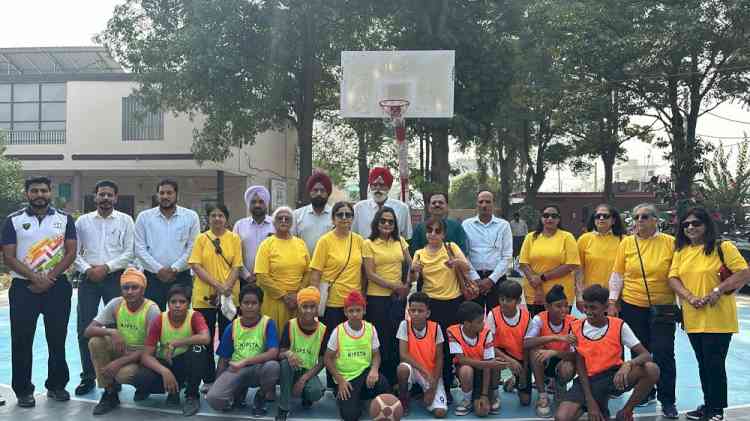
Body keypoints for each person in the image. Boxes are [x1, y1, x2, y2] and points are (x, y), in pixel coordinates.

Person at [1, 176, 77, 407]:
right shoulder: (13, 220)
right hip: (23, 287)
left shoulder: (65, 219)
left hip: (57, 286)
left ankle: (56, 386)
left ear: (50, 192)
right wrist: (34, 277)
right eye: (34, 191)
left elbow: (71, 252)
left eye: (43, 190)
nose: (39, 195)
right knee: (22, 340)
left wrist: (49, 278)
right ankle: (24, 391)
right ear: (27, 194)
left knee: (57, 339)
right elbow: (8, 256)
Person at [668, 207, 750, 421]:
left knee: (714, 364)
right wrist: (689, 297)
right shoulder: (681, 251)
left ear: (706, 225)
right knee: (703, 363)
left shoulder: (723, 247)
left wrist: (718, 290)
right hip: (693, 317)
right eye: (686, 224)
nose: (691, 227)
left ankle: (716, 410)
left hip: (719, 318)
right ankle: (708, 405)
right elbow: (673, 278)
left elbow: (744, 272)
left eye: (696, 223)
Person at [608, 203, 677, 418]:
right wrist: (612, 301)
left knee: (664, 352)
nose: (639, 221)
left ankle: (668, 400)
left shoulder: (670, 243)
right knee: (640, 352)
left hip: (663, 307)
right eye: (636, 217)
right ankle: (646, 392)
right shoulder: (627, 243)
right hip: (632, 304)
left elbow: (679, 273)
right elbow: (617, 274)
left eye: (645, 217)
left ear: (656, 220)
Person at [555, 285, 660, 421]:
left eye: (593, 307)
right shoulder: (575, 328)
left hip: (614, 376)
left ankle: (626, 412)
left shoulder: (619, 325)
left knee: (652, 369)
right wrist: (590, 401)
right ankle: (597, 403)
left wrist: (628, 364)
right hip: (588, 380)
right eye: (586, 307)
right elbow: (580, 365)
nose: (588, 312)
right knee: (561, 418)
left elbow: (646, 355)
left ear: (606, 307)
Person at [74, 179, 136, 396]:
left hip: (115, 277)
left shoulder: (126, 221)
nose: (106, 198)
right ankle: (88, 376)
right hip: (89, 278)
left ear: (116, 198)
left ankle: (114, 376)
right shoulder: (82, 222)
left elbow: (130, 252)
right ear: (95, 197)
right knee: (85, 326)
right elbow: (74, 252)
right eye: (102, 194)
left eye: (110, 195)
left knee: (115, 327)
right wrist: (88, 269)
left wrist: (107, 267)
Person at [411, 216, 472, 405]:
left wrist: (456, 263)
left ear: (443, 234)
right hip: (431, 307)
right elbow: (412, 279)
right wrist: (413, 269)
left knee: (449, 349)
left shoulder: (451, 247)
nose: (433, 234)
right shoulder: (419, 253)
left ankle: (447, 385)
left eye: (438, 231)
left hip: (453, 304)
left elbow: (467, 267)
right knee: (431, 350)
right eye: (430, 230)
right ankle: (425, 386)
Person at [83, 268, 160, 415]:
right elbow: (88, 331)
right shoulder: (116, 303)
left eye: (134, 287)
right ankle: (109, 393)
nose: (130, 291)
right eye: (126, 287)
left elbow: (151, 350)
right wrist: (112, 331)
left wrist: (118, 362)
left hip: (143, 357)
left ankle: (144, 387)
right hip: (123, 350)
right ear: (121, 290)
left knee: (122, 375)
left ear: (143, 290)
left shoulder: (152, 310)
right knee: (95, 342)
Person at [188, 204, 243, 389]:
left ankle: (225, 376)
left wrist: (226, 287)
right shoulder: (201, 239)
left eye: (221, 215)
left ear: (226, 218)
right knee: (206, 338)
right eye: (213, 215)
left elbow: (237, 266)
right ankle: (209, 378)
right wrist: (218, 285)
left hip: (229, 297)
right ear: (208, 218)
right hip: (204, 297)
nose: (217, 218)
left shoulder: (234, 238)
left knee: (229, 337)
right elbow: (196, 265)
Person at [137, 285, 211, 416]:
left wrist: (177, 343)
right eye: (173, 302)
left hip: (186, 363)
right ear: (168, 304)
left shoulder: (195, 316)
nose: (177, 305)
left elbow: (205, 338)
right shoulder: (159, 319)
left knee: (198, 350)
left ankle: (192, 396)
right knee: (142, 377)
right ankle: (172, 390)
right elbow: (146, 356)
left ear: (188, 304)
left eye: (182, 302)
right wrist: (164, 371)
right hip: (167, 362)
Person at [207, 285, 280, 416]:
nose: (250, 306)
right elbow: (223, 359)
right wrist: (218, 383)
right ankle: (238, 392)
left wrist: (245, 362)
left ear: (260, 305)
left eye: (254, 303)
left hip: (258, 369)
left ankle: (261, 395)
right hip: (236, 370)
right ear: (240, 305)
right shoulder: (232, 326)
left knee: (273, 366)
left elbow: (273, 352)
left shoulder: (268, 323)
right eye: (246, 303)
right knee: (214, 399)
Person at [362, 206, 412, 385]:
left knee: (395, 339)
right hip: (377, 298)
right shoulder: (369, 243)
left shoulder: (401, 242)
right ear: (377, 222)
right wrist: (394, 286)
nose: (386, 224)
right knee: (380, 340)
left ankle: (395, 382)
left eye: (390, 221)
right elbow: (369, 274)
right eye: (383, 220)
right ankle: (380, 382)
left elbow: (410, 265)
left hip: (397, 299)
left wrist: (406, 285)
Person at [135, 178, 201, 310]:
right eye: (162, 193)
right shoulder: (144, 217)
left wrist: (174, 268)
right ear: (157, 195)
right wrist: (158, 269)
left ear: (177, 195)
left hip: (181, 276)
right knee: (153, 319)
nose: (165, 196)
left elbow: (193, 248)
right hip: (152, 277)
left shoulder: (191, 216)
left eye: (169, 193)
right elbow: (139, 248)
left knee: (181, 319)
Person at [324, 291, 390, 421]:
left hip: (365, 374)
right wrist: (340, 380)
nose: (354, 314)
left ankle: (360, 398)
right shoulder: (338, 331)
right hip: (346, 378)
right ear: (345, 312)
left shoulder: (370, 328)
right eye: (351, 311)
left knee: (383, 384)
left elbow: (376, 355)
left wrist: (374, 370)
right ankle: (346, 397)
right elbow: (327, 358)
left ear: (364, 311)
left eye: (358, 310)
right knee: (350, 416)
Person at [310, 201, 365, 333]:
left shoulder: (359, 240)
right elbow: (315, 273)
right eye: (340, 215)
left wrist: (363, 295)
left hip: (353, 302)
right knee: (332, 342)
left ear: (352, 218)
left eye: (348, 214)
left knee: (351, 340)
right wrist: (315, 300)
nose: (344, 218)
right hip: (331, 302)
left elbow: (363, 272)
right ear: (333, 219)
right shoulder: (324, 241)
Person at [523, 285, 576, 417]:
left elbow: (575, 355)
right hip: (543, 362)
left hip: (561, 361)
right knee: (534, 352)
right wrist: (554, 337)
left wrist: (555, 353)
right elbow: (526, 343)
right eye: (559, 306)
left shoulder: (573, 323)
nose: (564, 309)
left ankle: (560, 390)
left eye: (566, 305)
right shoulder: (539, 319)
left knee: (568, 367)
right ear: (547, 307)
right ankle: (543, 396)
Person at [255, 206, 310, 333]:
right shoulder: (266, 244)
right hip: (275, 301)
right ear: (274, 222)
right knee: (275, 339)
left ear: (292, 223)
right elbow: (262, 275)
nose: (284, 221)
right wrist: (284, 296)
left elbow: (308, 272)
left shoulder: (300, 243)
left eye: (287, 218)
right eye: (280, 218)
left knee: (295, 338)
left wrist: (298, 293)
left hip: (297, 301)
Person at [275, 287, 327, 421]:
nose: (309, 310)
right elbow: (280, 353)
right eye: (305, 306)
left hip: (308, 372)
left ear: (317, 308)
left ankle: (305, 394)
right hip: (290, 370)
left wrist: (304, 379)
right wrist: (288, 354)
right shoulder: (290, 325)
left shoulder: (323, 329)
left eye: (312, 306)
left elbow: (322, 361)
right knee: (286, 363)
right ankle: (284, 407)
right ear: (299, 307)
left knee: (316, 392)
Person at [519, 204, 580, 316]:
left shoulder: (567, 237)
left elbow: (571, 265)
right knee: (538, 329)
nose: (550, 219)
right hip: (535, 294)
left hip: (561, 295)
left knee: (560, 330)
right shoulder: (531, 237)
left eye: (554, 216)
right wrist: (537, 288)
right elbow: (524, 263)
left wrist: (542, 278)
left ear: (559, 219)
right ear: (541, 218)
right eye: (546, 215)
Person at [447, 301, 504, 417]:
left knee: (482, 412)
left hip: (484, 372)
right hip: (466, 370)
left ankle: (493, 395)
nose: (483, 324)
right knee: (466, 369)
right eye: (479, 322)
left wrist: (484, 395)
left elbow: (488, 364)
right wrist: (485, 364)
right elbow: (461, 360)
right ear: (467, 324)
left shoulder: (486, 333)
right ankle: (467, 400)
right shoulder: (452, 331)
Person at [396, 292, 447, 418]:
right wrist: (424, 371)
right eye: (413, 310)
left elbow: (440, 358)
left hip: (431, 373)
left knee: (440, 413)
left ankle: (428, 394)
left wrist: (433, 387)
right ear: (408, 311)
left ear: (428, 313)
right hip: (414, 369)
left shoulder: (436, 328)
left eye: (420, 310)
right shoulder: (404, 325)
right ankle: (404, 398)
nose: (416, 314)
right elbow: (403, 355)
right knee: (402, 368)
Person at [462, 191, 513, 311]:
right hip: (473, 280)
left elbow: (507, 256)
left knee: (497, 318)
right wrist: (476, 279)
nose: (484, 205)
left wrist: (491, 280)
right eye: (481, 202)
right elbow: (464, 255)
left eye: (488, 202)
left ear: (493, 204)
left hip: (497, 279)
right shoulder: (466, 225)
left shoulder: (503, 225)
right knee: (472, 318)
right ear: (477, 204)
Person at [486, 280, 531, 409]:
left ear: (517, 301)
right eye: (502, 299)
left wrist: (524, 370)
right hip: (499, 352)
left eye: (508, 300)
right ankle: (494, 393)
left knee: (525, 401)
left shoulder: (527, 317)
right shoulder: (493, 315)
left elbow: (527, 347)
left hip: (520, 355)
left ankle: (511, 381)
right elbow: (490, 346)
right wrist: (510, 361)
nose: (504, 303)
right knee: (494, 363)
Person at [575, 204, 625, 312]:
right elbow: (578, 271)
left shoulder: (624, 240)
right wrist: (579, 296)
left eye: (606, 216)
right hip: (590, 298)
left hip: (616, 299)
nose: (601, 218)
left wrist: (615, 299)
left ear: (613, 220)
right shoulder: (584, 239)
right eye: (598, 216)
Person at [352, 167, 413, 240]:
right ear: (370, 187)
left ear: (389, 187)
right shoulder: (358, 208)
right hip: (364, 250)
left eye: (382, 185)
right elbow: (352, 235)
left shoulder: (402, 208)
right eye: (374, 185)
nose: (378, 188)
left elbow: (406, 237)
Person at [234, 185, 275, 286]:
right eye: (253, 202)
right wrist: (247, 275)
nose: (257, 205)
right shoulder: (240, 225)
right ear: (248, 204)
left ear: (266, 204)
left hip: (272, 280)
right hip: (245, 280)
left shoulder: (275, 224)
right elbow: (235, 254)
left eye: (261, 202)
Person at [409, 192, 467, 257]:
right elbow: (415, 252)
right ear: (428, 207)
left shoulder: (456, 227)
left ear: (447, 206)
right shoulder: (419, 228)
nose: (437, 205)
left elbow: (462, 251)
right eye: (433, 203)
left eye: (441, 202)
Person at [292, 170, 334, 255]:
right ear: (310, 192)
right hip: (303, 265)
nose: (319, 194)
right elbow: (291, 241)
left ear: (328, 193)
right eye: (315, 190)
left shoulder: (336, 215)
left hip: (329, 266)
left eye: (322, 190)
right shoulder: (297, 215)